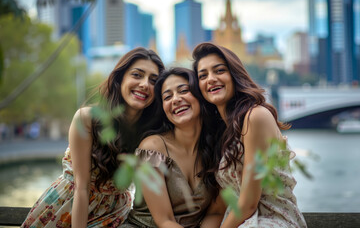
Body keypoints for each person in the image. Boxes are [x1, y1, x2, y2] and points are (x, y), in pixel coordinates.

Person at [21, 47, 165, 228]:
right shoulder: (88, 119)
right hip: (70, 209)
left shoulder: (152, 136)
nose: (145, 84)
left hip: (114, 215)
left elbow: (153, 188)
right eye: (137, 75)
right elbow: (82, 187)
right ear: (120, 79)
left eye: (153, 80)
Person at [192, 42, 307, 228]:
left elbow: (248, 204)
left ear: (234, 75)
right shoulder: (223, 133)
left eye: (219, 70)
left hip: (271, 221)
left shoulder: (255, 116)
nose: (211, 79)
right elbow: (218, 208)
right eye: (203, 76)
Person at [121, 67, 226, 228]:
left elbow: (216, 212)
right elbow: (164, 221)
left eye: (183, 91)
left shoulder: (218, 148)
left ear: (201, 96)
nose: (175, 99)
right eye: (167, 97)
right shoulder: (152, 149)